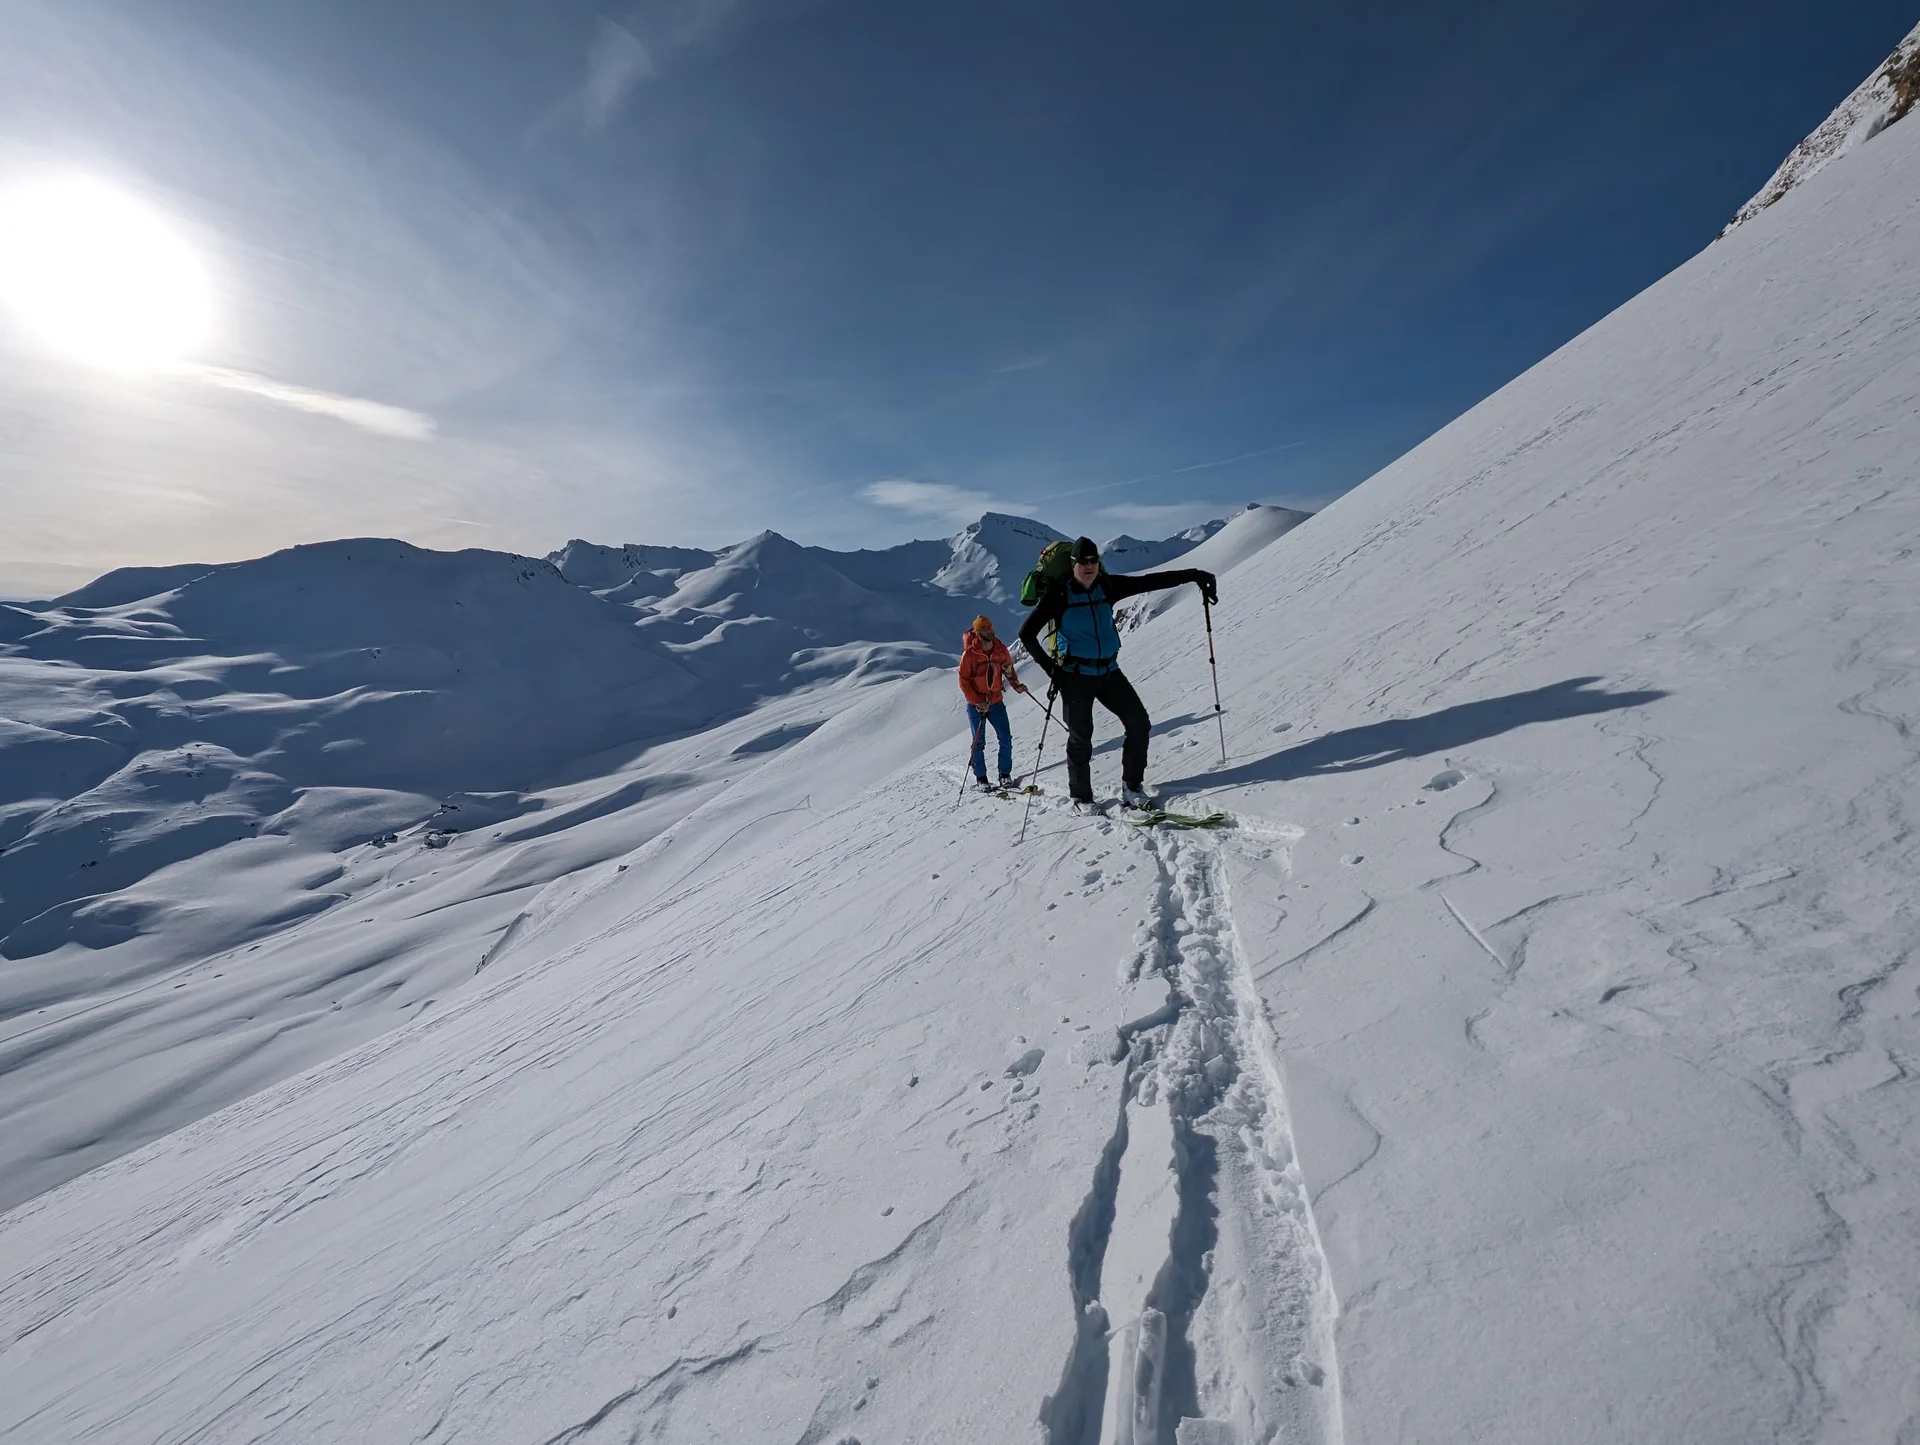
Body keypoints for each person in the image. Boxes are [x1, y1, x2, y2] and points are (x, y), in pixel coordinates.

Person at [1018, 536, 1217, 809]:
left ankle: (1132, 786)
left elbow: (1150, 581)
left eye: (1093, 560)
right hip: (1075, 676)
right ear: (1073, 564)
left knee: (1139, 723)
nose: (1089, 566)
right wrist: (1053, 671)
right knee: (1081, 736)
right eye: (1083, 561)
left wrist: (1195, 575)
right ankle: (1081, 797)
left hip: (1109, 671)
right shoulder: (1060, 596)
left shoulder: (1108, 586)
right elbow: (1026, 634)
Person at [958, 613, 1030, 789]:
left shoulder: (1000, 649)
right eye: (985, 628)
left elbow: (1008, 670)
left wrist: (1017, 685)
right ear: (977, 632)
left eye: (990, 627)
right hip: (977, 705)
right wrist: (976, 701)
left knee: (1005, 738)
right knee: (978, 742)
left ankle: (1004, 774)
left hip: (996, 700)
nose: (990, 631)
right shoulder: (970, 654)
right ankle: (981, 778)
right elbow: (963, 680)